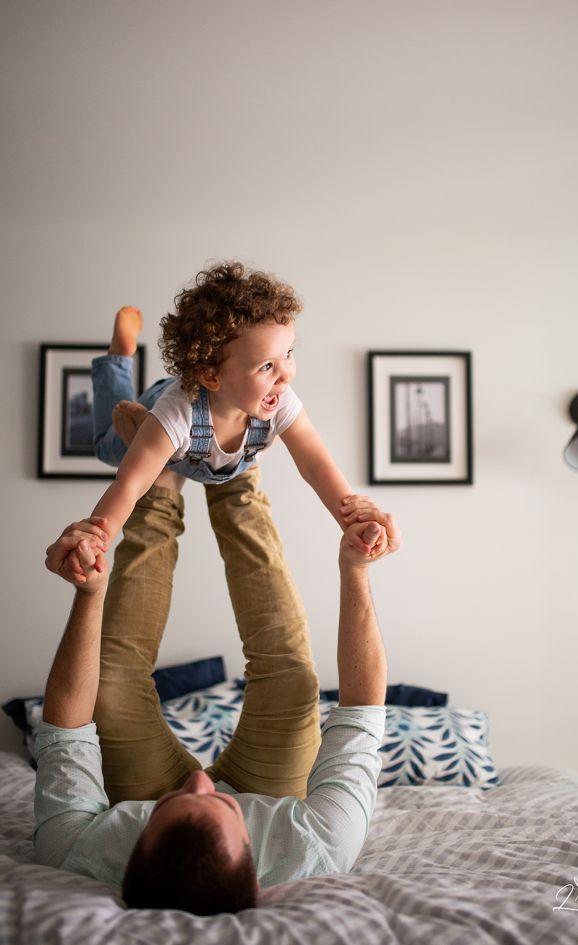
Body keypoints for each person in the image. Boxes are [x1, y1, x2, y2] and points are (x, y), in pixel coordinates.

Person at [38, 472, 400, 915]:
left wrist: (89, 592)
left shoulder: (81, 851)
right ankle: (235, 475)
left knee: (111, 690)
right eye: (222, 802)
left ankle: (162, 483)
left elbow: (65, 731)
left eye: (172, 802)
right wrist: (355, 569)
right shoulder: (316, 844)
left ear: (134, 847)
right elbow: (362, 708)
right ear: (256, 858)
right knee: (291, 681)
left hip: (144, 792)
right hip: (273, 795)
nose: (200, 781)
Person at [60, 261, 383, 585]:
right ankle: (118, 359)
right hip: (161, 419)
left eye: (288, 353)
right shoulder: (178, 412)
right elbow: (130, 484)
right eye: (266, 366)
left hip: (216, 455)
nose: (285, 373)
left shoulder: (279, 398)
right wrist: (97, 539)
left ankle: (163, 441)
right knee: (108, 446)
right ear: (211, 376)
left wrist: (351, 519)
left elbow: (316, 464)